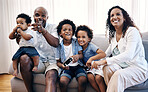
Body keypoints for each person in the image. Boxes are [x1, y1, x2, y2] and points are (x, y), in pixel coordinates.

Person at [86, 6, 148, 92]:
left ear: (124, 18)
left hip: (138, 69)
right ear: (110, 20)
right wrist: (92, 61)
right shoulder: (114, 36)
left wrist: (103, 61)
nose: (114, 17)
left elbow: (128, 55)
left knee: (118, 74)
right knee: (107, 68)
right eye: (112, 15)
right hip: (122, 68)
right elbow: (106, 54)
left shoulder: (132, 31)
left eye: (118, 14)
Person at [17, 7, 59, 92]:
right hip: (38, 62)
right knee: (24, 58)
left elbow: (55, 43)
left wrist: (43, 30)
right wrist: (18, 35)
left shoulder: (53, 27)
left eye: (43, 15)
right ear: (33, 17)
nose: (40, 17)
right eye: (37, 15)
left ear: (47, 17)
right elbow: (23, 44)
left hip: (52, 62)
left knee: (51, 75)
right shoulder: (29, 29)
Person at [56, 19, 87, 92]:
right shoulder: (58, 46)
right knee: (62, 81)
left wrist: (78, 56)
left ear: (73, 32)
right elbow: (58, 62)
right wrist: (62, 66)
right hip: (67, 68)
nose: (67, 31)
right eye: (64, 30)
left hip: (78, 66)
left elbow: (81, 55)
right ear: (60, 33)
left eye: (70, 30)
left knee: (83, 79)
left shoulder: (76, 42)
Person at [75, 25, 106, 92]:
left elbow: (103, 54)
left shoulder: (91, 46)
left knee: (98, 78)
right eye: (78, 37)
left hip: (97, 65)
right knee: (90, 77)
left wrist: (91, 58)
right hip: (90, 68)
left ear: (89, 39)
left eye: (83, 37)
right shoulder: (77, 48)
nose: (80, 39)